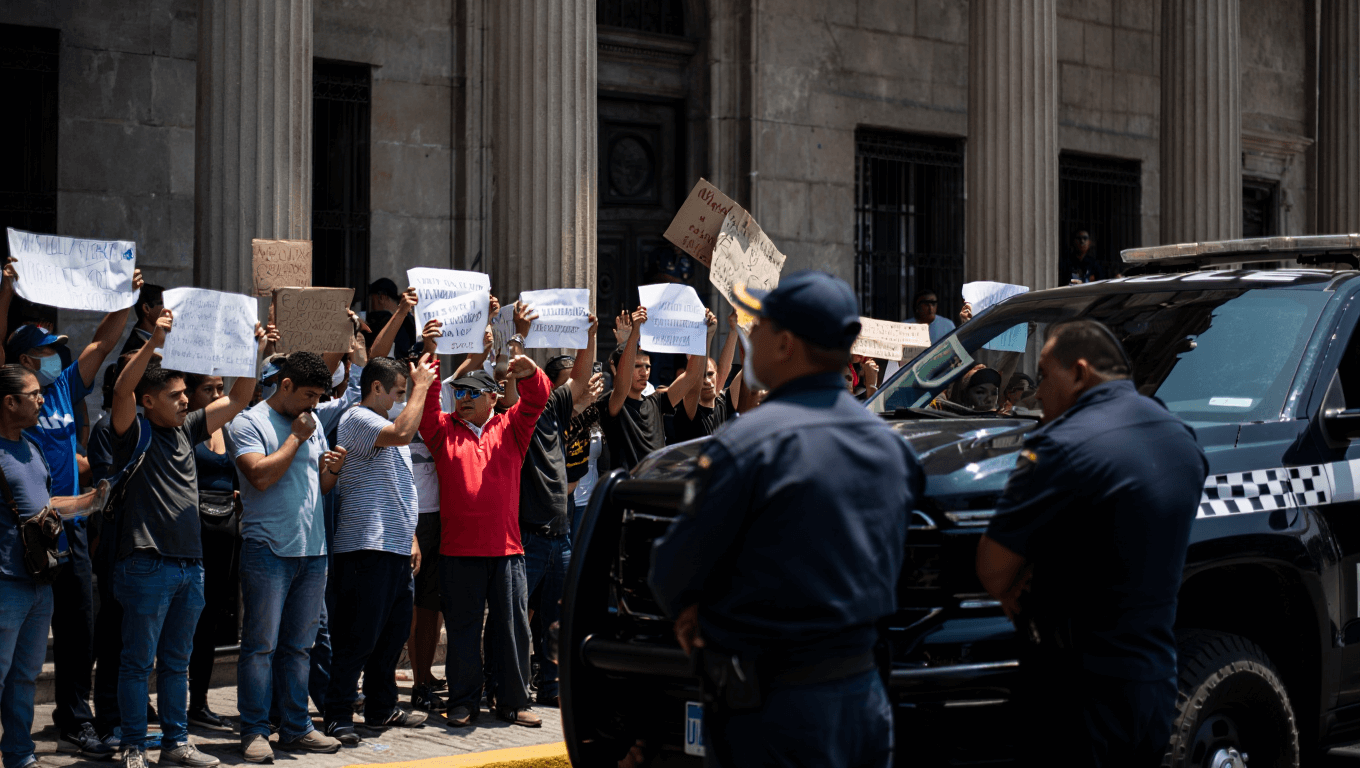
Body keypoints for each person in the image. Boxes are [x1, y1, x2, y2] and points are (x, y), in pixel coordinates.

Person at [649, 271, 923, 767]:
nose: (751, 339)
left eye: (760, 327)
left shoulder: (750, 444)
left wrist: (692, 615)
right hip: (864, 696)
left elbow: (674, 571)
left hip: (776, 709)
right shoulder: (889, 446)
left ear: (786, 345)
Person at [975, 319, 1209, 767]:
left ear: (1079, 373)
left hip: (1077, 690)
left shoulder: (1059, 446)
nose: (1037, 392)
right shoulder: (1181, 440)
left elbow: (993, 570)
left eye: (1044, 375)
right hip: (1155, 682)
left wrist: (1023, 573)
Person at [0, 258, 143, 761]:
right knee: (15, 652)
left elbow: (103, 344)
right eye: (44, 351)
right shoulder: (13, 395)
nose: (55, 356)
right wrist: (6, 292)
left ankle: (74, 721)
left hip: (70, 525)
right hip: (24, 534)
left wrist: (124, 296)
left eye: (56, 350)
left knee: (79, 625)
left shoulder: (59, 388)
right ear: (21, 361)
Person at [108, 310, 264, 768]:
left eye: (184, 395)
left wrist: (254, 350)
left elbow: (238, 397)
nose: (184, 401)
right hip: (146, 563)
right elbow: (121, 388)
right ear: (149, 401)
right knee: (138, 662)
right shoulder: (131, 431)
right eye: (174, 396)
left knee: (176, 662)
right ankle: (134, 744)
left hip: (189, 565)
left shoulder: (188, 429)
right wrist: (155, 339)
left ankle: (177, 743)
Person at [227, 345, 364, 763]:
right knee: (260, 647)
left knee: (299, 647)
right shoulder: (247, 423)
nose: (315, 405)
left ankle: (296, 727)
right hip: (267, 550)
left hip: (313, 551)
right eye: (309, 396)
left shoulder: (311, 424)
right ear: (285, 385)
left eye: (320, 398)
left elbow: (318, 487)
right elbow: (261, 476)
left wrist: (333, 469)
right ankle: (254, 730)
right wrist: (296, 438)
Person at [418, 318, 550, 728]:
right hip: (458, 551)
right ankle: (462, 701)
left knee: (512, 631)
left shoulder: (511, 428)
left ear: (493, 397)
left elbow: (535, 400)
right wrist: (432, 353)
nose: (463, 399)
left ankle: (513, 700)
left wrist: (529, 371)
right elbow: (426, 405)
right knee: (462, 630)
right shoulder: (442, 431)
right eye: (459, 393)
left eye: (473, 392)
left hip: (507, 549)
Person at [321, 354, 438, 743]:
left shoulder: (389, 424)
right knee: (359, 635)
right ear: (376, 388)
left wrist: (413, 537)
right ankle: (337, 713)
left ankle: (381, 707)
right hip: (365, 546)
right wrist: (421, 386)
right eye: (399, 392)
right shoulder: (358, 419)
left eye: (407, 392)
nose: (404, 399)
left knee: (391, 635)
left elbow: (399, 486)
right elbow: (405, 433)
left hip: (395, 546)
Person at [0, 364, 58, 768]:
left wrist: (92, 501)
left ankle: (20, 754)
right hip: (4, 585)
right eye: (34, 393)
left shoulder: (33, 447)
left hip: (39, 584)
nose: (42, 400)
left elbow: (46, 509)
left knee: (24, 678)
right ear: (9, 401)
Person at [181, 373, 241, 732]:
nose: (218, 395)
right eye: (209, 389)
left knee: (211, 617)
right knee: (185, 617)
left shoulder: (229, 428)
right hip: (193, 530)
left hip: (226, 530)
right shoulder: (186, 429)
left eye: (221, 389)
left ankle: (199, 703)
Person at [600, 306, 713, 471]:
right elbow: (621, 384)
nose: (643, 372)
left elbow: (691, 375)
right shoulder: (614, 403)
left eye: (647, 366)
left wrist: (701, 333)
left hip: (654, 486)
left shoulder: (657, 401)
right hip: (628, 488)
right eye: (637, 366)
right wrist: (634, 334)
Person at [672, 312, 738, 443]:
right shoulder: (688, 408)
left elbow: (725, 368)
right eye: (701, 376)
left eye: (710, 374)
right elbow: (695, 373)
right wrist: (706, 336)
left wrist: (735, 329)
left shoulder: (722, 402)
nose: (707, 381)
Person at [362, 279, 416, 356]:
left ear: (381, 297)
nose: (370, 305)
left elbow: (369, 354)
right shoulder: (409, 319)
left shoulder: (380, 320)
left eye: (372, 300)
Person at [118, 284, 166, 357]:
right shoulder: (135, 348)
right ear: (146, 308)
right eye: (162, 303)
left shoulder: (161, 337)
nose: (168, 307)